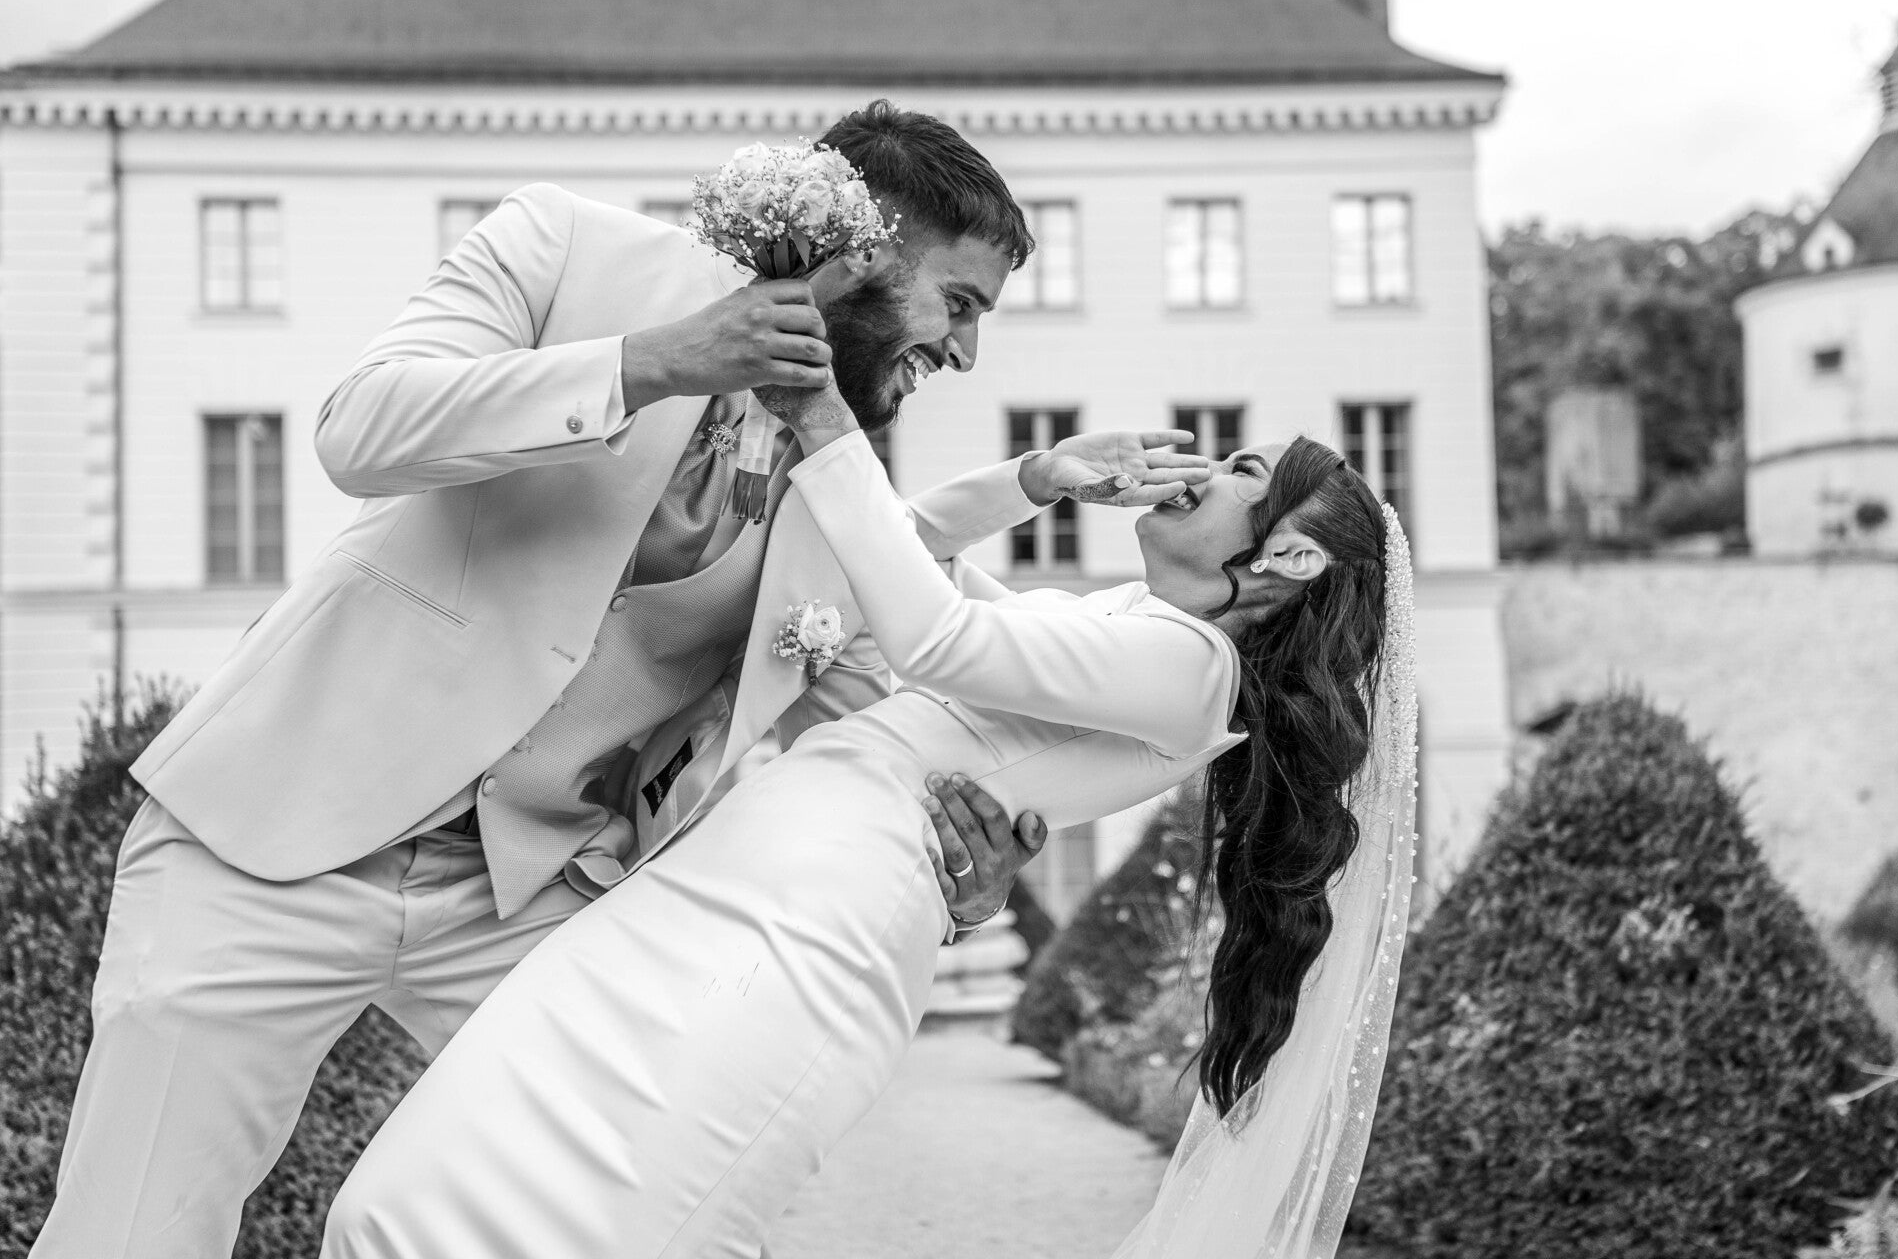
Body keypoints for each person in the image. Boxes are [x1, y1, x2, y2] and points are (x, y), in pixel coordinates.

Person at [30, 101, 1203, 1259]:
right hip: (271, 835)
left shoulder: (833, 487)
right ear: (868, 249)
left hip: (529, 905)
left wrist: (956, 873)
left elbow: (896, 731)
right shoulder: (562, 249)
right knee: (128, 1236)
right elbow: (359, 430)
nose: (967, 353)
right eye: (961, 304)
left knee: (616, 1215)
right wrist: (654, 365)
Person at [319, 406, 1418, 1259]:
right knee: (415, 1195)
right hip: (712, 888)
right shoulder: (1122, 622)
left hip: (811, 939)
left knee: (624, 1224)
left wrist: (825, 420)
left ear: (1290, 559)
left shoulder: (1194, 672)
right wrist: (1036, 480)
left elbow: (931, 635)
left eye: (1241, 472)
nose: (1202, 468)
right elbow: (896, 566)